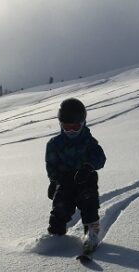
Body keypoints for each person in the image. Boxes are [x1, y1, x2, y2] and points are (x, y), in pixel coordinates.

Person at [45, 98, 106, 252]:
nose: (71, 131)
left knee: (88, 200)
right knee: (60, 205)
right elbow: (51, 164)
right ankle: (56, 236)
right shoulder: (54, 144)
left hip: (86, 177)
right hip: (65, 180)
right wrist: (54, 181)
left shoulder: (88, 141)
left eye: (75, 126)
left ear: (83, 123)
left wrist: (88, 167)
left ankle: (92, 233)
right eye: (67, 127)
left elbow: (100, 158)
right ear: (61, 125)